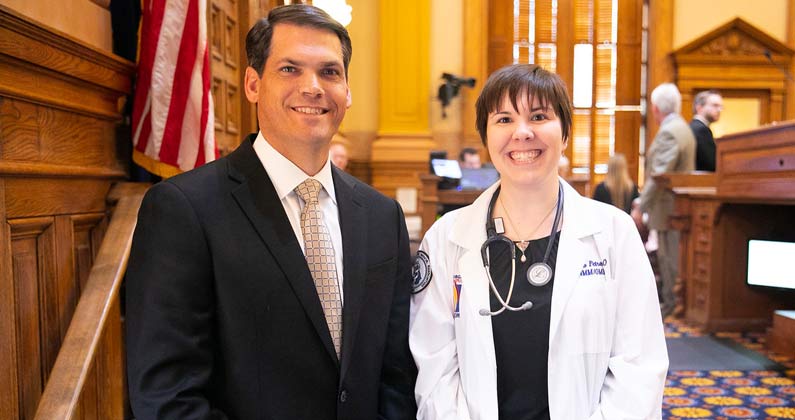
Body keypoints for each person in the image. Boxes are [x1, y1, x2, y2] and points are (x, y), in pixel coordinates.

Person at [125, 5, 417, 419]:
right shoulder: (184, 209)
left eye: (330, 72)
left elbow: (395, 376)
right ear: (252, 83)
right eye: (290, 69)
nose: (313, 87)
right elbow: (168, 395)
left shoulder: (381, 216)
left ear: (347, 92)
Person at [410, 64, 668, 419]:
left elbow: (639, 366)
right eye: (503, 119)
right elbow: (435, 365)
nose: (522, 132)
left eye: (539, 116)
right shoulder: (446, 238)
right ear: (485, 138)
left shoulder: (614, 232)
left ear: (564, 134)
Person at [640, 82, 695, 318]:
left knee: (670, 259)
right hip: (672, 207)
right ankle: (672, 303)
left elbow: (660, 175)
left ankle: (672, 304)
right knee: (670, 257)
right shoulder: (681, 127)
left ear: (655, 109)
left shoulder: (670, 131)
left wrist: (640, 205)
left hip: (669, 208)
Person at [690, 90, 723, 171]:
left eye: (721, 107)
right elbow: (712, 164)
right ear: (699, 108)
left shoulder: (692, 126)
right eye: (715, 105)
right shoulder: (701, 130)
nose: (719, 110)